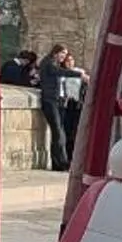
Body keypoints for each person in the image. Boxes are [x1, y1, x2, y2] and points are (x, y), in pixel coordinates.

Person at [36, 44, 83, 172]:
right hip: (50, 101)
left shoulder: (52, 62)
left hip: (57, 101)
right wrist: (79, 74)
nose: (64, 56)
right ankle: (62, 163)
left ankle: (58, 163)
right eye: (62, 53)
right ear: (56, 52)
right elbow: (59, 72)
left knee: (60, 132)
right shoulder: (49, 62)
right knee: (58, 132)